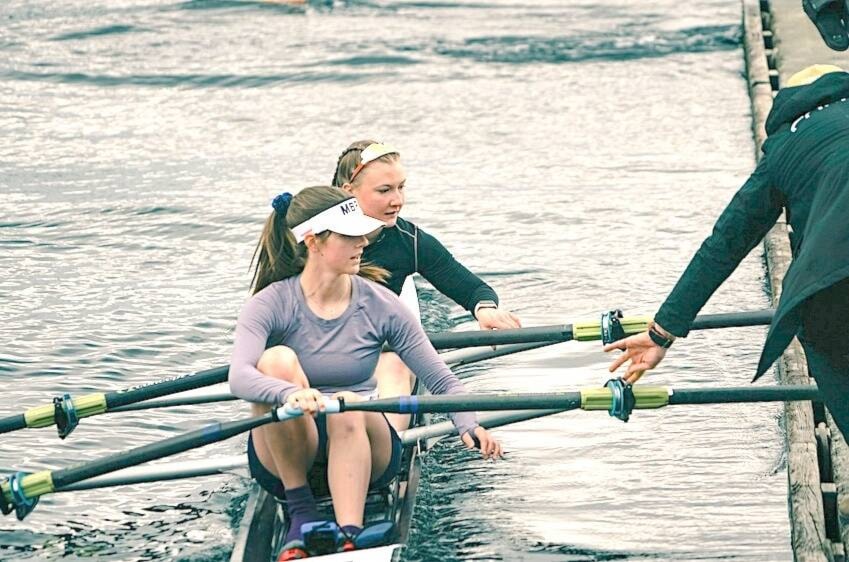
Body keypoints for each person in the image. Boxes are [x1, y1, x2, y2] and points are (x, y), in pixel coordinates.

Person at [228, 186, 502, 560]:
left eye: (362, 234)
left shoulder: (380, 303)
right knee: (274, 362)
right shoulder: (270, 303)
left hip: (363, 444)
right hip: (293, 440)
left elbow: (440, 378)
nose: (363, 243)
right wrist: (286, 394)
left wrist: (469, 424)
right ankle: (301, 511)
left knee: (347, 404)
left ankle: (350, 535)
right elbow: (239, 377)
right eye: (350, 236)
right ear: (313, 241)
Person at [604, 64, 849, 437]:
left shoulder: (785, 147)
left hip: (830, 287)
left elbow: (724, 244)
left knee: (830, 343)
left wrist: (662, 332)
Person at [331, 140, 522, 431]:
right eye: (384, 190)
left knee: (394, 362)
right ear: (349, 192)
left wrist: (485, 310)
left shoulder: (408, 242)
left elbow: (469, 286)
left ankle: (387, 451)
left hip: (378, 349)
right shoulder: (312, 238)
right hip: (322, 348)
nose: (398, 200)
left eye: (401, 187)